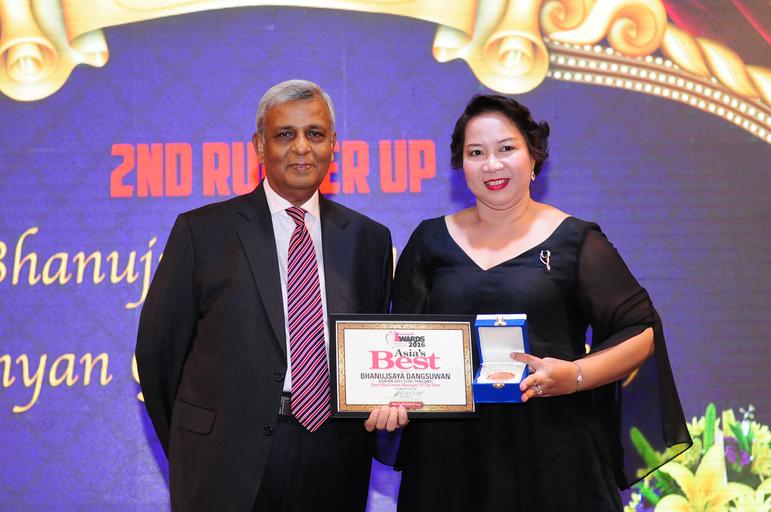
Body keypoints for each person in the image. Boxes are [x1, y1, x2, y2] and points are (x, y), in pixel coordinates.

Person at [390, 95, 691, 511]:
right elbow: (401, 346)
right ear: (461, 166)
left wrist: (575, 376)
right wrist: (388, 399)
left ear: (533, 156)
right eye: (476, 153)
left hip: (555, 453)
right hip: (448, 459)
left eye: (506, 148)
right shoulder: (429, 240)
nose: (491, 164)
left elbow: (641, 332)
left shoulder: (575, 239)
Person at [135, 79, 393, 511]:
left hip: (333, 457)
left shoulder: (368, 239)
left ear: (333, 144)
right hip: (223, 460)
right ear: (258, 146)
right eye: (284, 134)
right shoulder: (202, 232)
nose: (301, 148)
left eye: (315, 133)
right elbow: (158, 354)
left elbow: (374, 350)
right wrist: (194, 442)